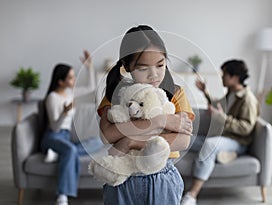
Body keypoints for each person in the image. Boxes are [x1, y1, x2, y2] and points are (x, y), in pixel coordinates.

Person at [97, 25, 195, 205]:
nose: (154, 75)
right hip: (122, 178)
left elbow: (182, 141)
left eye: (160, 65)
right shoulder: (117, 95)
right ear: (126, 67)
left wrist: (130, 141)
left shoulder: (175, 94)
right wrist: (160, 121)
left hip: (161, 178)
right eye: (143, 69)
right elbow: (106, 135)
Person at [181, 59, 260, 205]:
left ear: (234, 77)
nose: (221, 77)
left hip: (238, 142)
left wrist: (222, 118)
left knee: (211, 144)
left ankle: (192, 194)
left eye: (224, 74)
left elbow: (246, 128)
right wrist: (205, 92)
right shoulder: (231, 92)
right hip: (222, 138)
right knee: (187, 138)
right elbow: (218, 106)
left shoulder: (248, 99)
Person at [40, 50, 102, 205]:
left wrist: (89, 67)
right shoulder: (52, 98)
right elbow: (54, 127)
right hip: (53, 137)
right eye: (71, 77)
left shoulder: (69, 93)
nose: (74, 80)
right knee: (71, 150)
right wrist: (64, 112)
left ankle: (56, 154)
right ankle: (62, 196)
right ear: (60, 81)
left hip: (65, 138)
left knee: (98, 142)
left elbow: (91, 87)